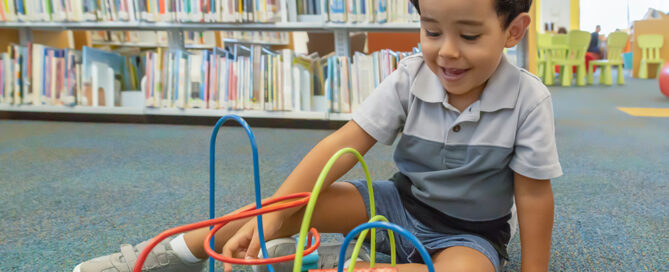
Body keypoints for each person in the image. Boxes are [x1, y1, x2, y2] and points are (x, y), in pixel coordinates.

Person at [74, 0, 562, 271]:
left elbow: (534, 195)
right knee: (286, 206)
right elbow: (339, 147)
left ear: (514, 31)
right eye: (431, 31)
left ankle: (348, 261)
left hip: (469, 236)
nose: (447, 52)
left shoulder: (528, 100)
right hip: (400, 204)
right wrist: (273, 217)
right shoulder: (410, 77)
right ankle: (172, 253)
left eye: (470, 36)